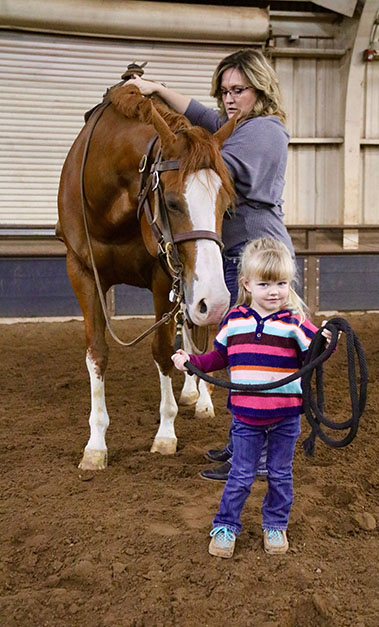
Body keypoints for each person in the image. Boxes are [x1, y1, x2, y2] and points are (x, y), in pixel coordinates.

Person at [127, 49, 294, 481]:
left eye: (239, 90)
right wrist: (157, 90)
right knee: (242, 357)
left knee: (261, 360)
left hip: (259, 257)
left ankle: (256, 457)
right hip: (236, 254)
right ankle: (243, 443)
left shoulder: (267, 131)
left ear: (261, 87)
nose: (229, 100)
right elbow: (202, 115)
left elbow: (211, 167)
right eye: (225, 91)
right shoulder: (235, 125)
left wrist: (170, 148)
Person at [172, 237, 333, 558]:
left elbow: (316, 354)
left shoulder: (295, 322)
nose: (274, 291)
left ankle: (275, 524)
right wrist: (191, 363)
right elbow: (219, 358)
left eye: (282, 283)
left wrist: (328, 338)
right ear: (247, 283)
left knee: (280, 474)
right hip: (246, 417)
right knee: (241, 474)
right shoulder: (235, 320)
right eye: (265, 284)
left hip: (286, 417)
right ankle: (226, 525)